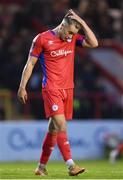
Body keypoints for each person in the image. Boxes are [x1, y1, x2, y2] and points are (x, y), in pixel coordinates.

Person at [18, 9, 98, 176]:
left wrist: (82, 22)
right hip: (51, 88)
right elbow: (30, 64)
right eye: (69, 32)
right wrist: (22, 86)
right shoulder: (42, 39)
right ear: (62, 26)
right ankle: (71, 165)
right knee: (61, 125)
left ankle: (41, 167)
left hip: (68, 89)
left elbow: (94, 43)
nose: (70, 36)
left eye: (73, 33)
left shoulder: (72, 37)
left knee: (54, 129)